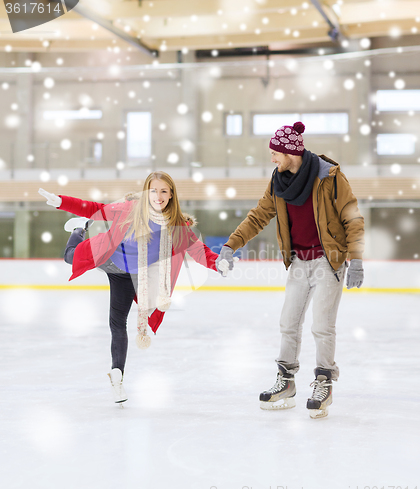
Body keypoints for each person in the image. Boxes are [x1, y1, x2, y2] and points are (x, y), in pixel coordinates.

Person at [215, 122, 364, 419]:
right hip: (298, 261)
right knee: (288, 323)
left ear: (290, 152)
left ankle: (324, 382)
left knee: (322, 325)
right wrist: (232, 245)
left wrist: (356, 258)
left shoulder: (329, 177)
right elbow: (258, 216)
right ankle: (286, 381)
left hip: (327, 260)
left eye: (274, 153)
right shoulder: (278, 183)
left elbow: (352, 217)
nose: (272, 159)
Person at [39, 171, 220, 406]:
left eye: (164, 191)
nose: (159, 195)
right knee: (70, 257)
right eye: (154, 190)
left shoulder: (177, 229)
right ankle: (78, 230)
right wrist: (62, 201)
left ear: (172, 195)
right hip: (109, 256)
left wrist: (220, 263)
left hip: (128, 275)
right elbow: (94, 208)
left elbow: (201, 252)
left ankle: (117, 374)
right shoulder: (129, 210)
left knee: (117, 322)